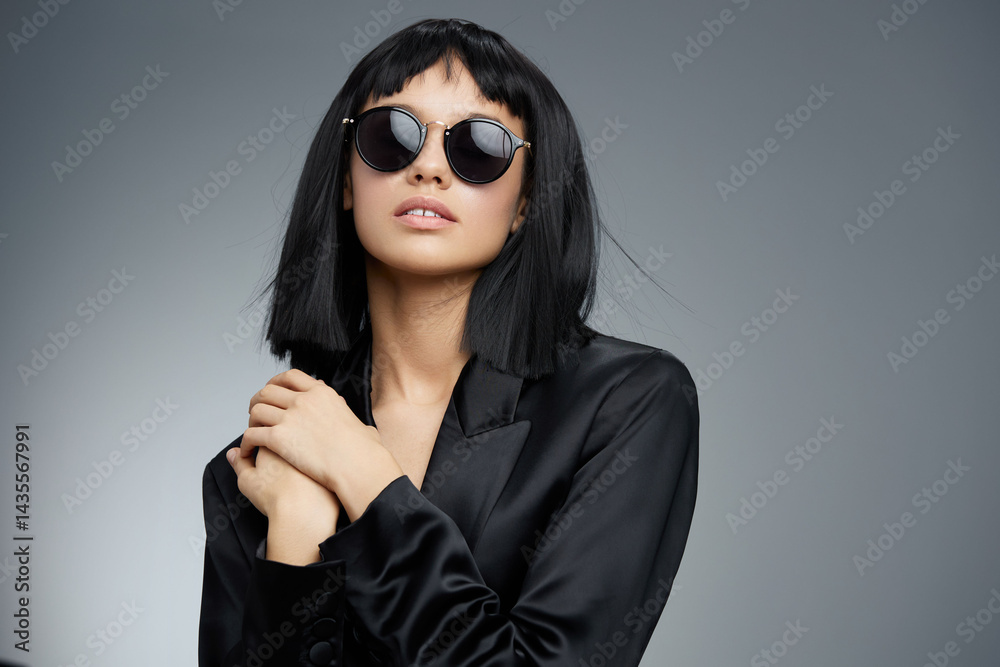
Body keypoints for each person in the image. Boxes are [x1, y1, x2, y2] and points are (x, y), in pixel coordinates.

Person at [198, 17, 699, 667]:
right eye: (391, 136)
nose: (429, 166)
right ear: (348, 182)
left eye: (479, 147)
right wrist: (294, 533)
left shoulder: (629, 401)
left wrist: (368, 480)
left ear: (525, 201)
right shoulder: (257, 467)